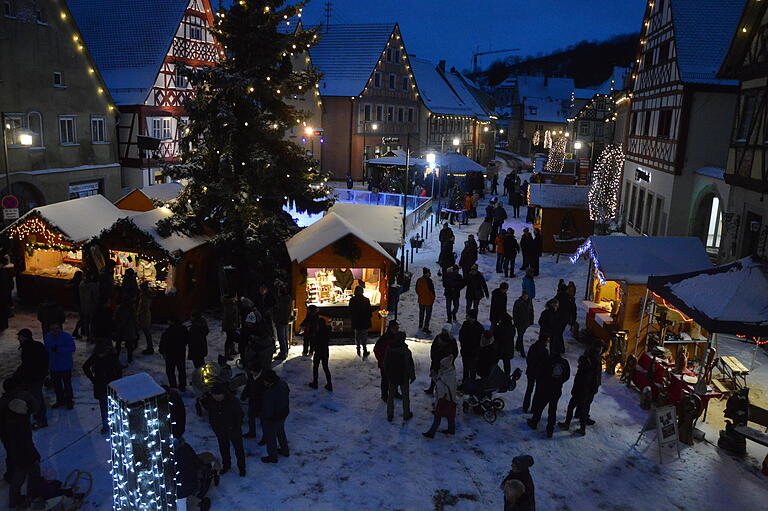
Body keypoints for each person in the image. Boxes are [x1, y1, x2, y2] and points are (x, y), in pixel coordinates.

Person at [5, 396, 42, 509]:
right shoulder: (21, 424)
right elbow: (26, 443)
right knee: (32, 472)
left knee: (18, 477)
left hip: (16, 454)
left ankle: (14, 499)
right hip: (25, 455)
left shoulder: (11, 420)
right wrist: (35, 456)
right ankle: (32, 495)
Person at [202, 384, 246, 477]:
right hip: (220, 430)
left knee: (239, 449)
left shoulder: (233, 401)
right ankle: (226, 465)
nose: (216, 398)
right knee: (223, 448)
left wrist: (235, 426)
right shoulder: (211, 401)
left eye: (218, 396)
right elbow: (210, 412)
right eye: (214, 396)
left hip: (233, 430)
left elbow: (240, 416)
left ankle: (242, 467)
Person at [559, 343, 602, 435]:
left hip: (581, 392)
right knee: (583, 409)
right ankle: (581, 428)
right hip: (587, 391)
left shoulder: (584, 372)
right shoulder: (593, 365)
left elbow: (579, 383)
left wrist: (575, 391)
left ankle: (569, 424)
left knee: (572, 407)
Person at [527, 350, 571, 437]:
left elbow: (540, 373)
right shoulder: (564, 362)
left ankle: (534, 422)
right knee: (552, 409)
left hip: (546, 388)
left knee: (540, 406)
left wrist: (542, 383)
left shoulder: (547, 361)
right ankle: (550, 429)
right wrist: (560, 382)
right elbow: (567, 376)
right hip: (557, 389)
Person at [82, 341, 122, 433]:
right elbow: (85, 367)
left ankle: (114, 424)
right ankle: (106, 425)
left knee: (113, 406)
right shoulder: (96, 357)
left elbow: (118, 370)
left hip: (112, 385)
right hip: (102, 385)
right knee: (104, 407)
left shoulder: (112, 357)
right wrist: (93, 379)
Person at [13, 329, 48, 429]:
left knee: (36, 398)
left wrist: (19, 374)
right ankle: (40, 415)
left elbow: (27, 365)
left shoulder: (28, 348)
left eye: (19, 336)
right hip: (38, 376)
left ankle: (42, 420)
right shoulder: (37, 345)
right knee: (38, 396)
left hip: (34, 377)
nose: (18, 338)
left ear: (25, 337)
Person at [423, 355, 458, 438]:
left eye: (442, 365)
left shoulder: (450, 376)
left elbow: (445, 388)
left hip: (445, 399)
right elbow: (441, 383)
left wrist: (437, 380)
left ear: (446, 366)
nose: (440, 366)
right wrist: (434, 377)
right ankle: (451, 429)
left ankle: (431, 433)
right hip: (445, 398)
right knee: (450, 415)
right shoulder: (445, 372)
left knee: (438, 415)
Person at [260, 370, 290, 463]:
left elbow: (268, 408)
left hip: (273, 417)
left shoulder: (270, 392)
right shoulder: (282, 383)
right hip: (283, 413)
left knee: (271, 437)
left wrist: (266, 418)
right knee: (281, 432)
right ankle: (285, 451)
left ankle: (273, 457)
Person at [384, 332, 415, 422]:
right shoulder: (406, 351)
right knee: (405, 397)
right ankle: (406, 414)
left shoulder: (389, 348)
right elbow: (410, 365)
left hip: (392, 376)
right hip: (403, 377)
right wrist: (412, 376)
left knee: (390, 396)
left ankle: (390, 414)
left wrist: (387, 373)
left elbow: (385, 362)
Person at [44, 322, 75, 410]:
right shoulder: (48, 337)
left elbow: (72, 348)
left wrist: (59, 349)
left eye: (56, 328)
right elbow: (47, 349)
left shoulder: (66, 337)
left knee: (67, 384)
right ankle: (60, 400)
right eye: (52, 329)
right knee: (57, 385)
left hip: (65, 365)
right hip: (54, 366)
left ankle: (69, 401)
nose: (54, 331)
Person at [424, 324, 458, 394]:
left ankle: (439, 393)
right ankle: (431, 388)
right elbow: (433, 348)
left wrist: (450, 360)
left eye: (445, 330)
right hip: (436, 360)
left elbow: (455, 352)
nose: (443, 331)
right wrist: (433, 357)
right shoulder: (438, 337)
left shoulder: (452, 340)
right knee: (434, 375)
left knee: (442, 379)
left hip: (445, 363)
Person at [374, 321, 401, 402]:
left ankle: (395, 392)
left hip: (395, 363)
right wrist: (382, 360)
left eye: (397, 328)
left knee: (395, 379)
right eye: (395, 328)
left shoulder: (397, 337)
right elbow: (376, 350)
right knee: (385, 380)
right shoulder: (384, 338)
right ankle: (384, 395)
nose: (397, 330)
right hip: (385, 364)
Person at [160, 317, 189, 391]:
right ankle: (182, 386)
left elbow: (163, 343)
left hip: (170, 354)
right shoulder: (183, 329)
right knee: (181, 370)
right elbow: (187, 339)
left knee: (170, 371)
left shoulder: (168, 331)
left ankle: (173, 386)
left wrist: (162, 351)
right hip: (180, 353)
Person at [522, 335, 548, 413]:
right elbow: (546, 364)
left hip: (531, 371)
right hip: (540, 374)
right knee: (537, 392)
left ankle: (525, 406)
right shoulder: (545, 351)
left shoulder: (533, 347)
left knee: (529, 389)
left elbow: (528, 359)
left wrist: (530, 366)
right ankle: (533, 408)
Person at [458, 310, 483, 383]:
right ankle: (466, 382)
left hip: (473, 352)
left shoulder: (478, 327)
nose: (466, 316)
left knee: (472, 369)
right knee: (466, 368)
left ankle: (471, 384)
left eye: (468, 315)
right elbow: (461, 336)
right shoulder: (466, 324)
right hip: (467, 351)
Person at [307, 319, 332, 391]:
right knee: (325, 367)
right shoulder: (327, 331)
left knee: (315, 367)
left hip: (318, 351)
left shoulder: (317, 332)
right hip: (325, 351)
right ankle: (329, 384)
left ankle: (315, 383)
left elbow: (314, 341)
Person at [243, 368, 266, 439]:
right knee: (251, 417)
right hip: (252, 400)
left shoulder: (264, 377)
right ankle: (252, 432)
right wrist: (244, 394)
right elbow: (248, 386)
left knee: (263, 420)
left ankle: (265, 437)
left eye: (252, 370)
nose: (250, 372)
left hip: (261, 403)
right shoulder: (251, 376)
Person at [114, 299, 139, 364]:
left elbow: (115, 318)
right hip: (129, 330)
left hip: (120, 329)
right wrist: (136, 330)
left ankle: (116, 358)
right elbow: (135, 320)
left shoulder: (119, 309)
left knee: (118, 344)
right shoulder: (132, 310)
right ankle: (129, 358)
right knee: (129, 345)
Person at [273, 284, 293, 360]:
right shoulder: (288, 298)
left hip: (281, 320)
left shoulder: (283, 300)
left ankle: (283, 353)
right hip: (285, 319)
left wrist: (276, 318)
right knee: (284, 337)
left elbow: (280, 311)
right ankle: (285, 352)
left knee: (281, 337)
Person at [512, 290, 534, 358]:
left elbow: (531, 311)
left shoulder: (529, 301)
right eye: (524, 296)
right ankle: (522, 352)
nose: (526, 297)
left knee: (520, 335)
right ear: (522, 296)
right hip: (519, 323)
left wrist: (531, 321)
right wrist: (516, 322)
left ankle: (517, 347)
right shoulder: (518, 302)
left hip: (526, 323)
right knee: (521, 337)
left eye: (527, 296)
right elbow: (514, 313)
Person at [415, 268, 436, 334]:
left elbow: (417, 290)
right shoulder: (429, 281)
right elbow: (432, 291)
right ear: (426, 273)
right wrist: (433, 297)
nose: (430, 274)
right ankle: (426, 327)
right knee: (428, 314)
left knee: (421, 313)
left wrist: (420, 295)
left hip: (421, 300)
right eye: (429, 272)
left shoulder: (419, 280)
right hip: (428, 300)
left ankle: (420, 325)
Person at [221, 293, 239, 359]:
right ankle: (227, 354)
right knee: (229, 339)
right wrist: (233, 323)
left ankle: (232, 350)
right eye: (235, 296)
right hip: (229, 325)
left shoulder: (232, 303)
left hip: (232, 324)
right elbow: (229, 316)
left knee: (231, 338)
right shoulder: (229, 304)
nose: (236, 297)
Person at [138, 282, 154, 354]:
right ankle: (150, 347)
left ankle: (150, 348)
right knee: (146, 332)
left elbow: (143, 307)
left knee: (146, 332)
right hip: (146, 315)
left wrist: (138, 313)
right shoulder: (147, 295)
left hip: (144, 316)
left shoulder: (144, 296)